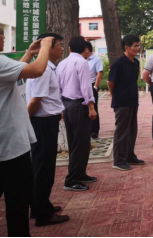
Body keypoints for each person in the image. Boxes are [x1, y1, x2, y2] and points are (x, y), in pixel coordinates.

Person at [0, 32, 54, 237]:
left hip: (5, 144)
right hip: (10, 147)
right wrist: (46, 46)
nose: (3, 38)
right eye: (0, 34)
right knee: (17, 202)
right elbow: (37, 70)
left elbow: (16, 73)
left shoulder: (3, 65)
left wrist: (30, 53)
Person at [26, 33, 70, 227]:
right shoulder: (43, 70)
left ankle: (39, 206)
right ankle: (43, 214)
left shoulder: (47, 67)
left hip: (44, 122)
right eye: (59, 44)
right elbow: (35, 101)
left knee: (41, 167)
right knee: (44, 169)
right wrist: (25, 122)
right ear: (48, 47)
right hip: (42, 124)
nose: (62, 48)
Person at [57, 36, 98, 192]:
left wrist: (61, 107)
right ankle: (72, 179)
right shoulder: (82, 62)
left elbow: (58, 86)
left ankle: (80, 173)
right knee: (80, 143)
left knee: (75, 141)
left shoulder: (62, 63)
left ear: (69, 48)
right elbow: (86, 87)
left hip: (67, 105)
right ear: (85, 49)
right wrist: (91, 107)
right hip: (79, 105)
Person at [108, 35, 145, 171]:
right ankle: (118, 160)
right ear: (126, 47)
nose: (138, 48)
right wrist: (113, 96)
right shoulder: (118, 64)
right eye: (135, 46)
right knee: (122, 131)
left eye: (138, 45)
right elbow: (110, 82)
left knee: (132, 130)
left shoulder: (135, 62)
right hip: (121, 101)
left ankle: (129, 156)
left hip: (132, 100)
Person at [85, 42, 103, 139]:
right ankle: (86, 129)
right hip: (83, 86)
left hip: (92, 85)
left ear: (87, 49)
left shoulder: (97, 59)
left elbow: (99, 73)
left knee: (93, 107)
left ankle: (94, 130)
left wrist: (95, 87)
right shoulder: (82, 59)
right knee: (84, 107)